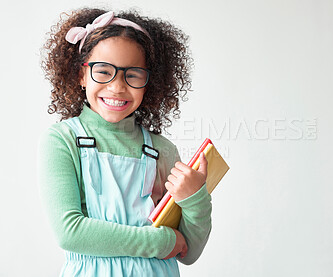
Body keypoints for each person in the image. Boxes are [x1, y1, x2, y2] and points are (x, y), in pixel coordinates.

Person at [38, 7, 212, 277]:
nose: (117, 87)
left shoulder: (162, 150)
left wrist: (195, 199)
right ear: (81, 75)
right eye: (103, 71)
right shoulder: (63, 140)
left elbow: (189, 251)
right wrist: (160, 241)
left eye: (132, 74)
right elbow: (70, 232)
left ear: (149, 83)